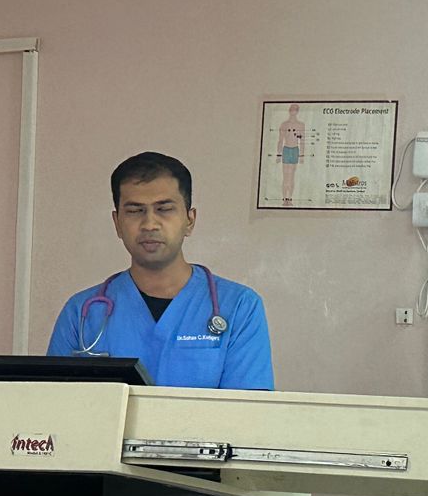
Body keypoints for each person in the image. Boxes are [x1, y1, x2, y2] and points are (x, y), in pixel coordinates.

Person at [47, 152, 274, 389]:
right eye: (135, 211)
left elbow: (248, 407)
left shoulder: (239, 307)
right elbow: (56, 402)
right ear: (117, 223)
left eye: (164, 209)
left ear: (189, 220)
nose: (149, 224)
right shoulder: (81, 313)